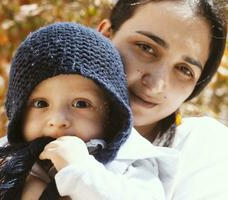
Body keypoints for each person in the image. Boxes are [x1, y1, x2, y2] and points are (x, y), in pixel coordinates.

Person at [0, 22, 177, 200]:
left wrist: (80, 171)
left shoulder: (128, 166)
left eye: (81, 104)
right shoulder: (11, 165)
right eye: (40, 104)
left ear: (111, 116)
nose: (57, 121)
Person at [94, 0, 228, 199]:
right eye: (146, 48)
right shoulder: (41, 119)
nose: (157, 84)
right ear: (105, 34)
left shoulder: (202, 149)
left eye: (184, 70)